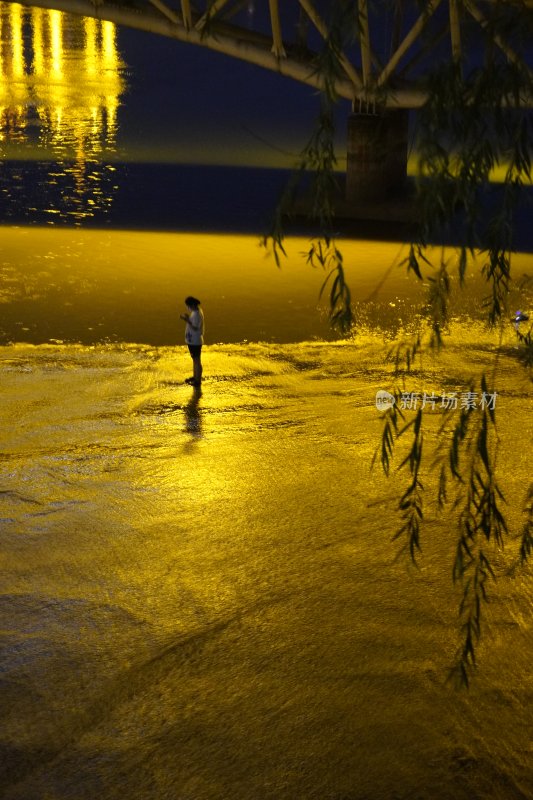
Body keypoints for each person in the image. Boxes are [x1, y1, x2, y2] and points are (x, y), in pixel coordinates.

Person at [180, 296, 204, 387]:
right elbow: (193, 323)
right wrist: (188, 318)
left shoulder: (197, 314)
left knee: (197, 360)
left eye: (188, 306)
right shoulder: (195, 312)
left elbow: (195, 327)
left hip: (195, 341)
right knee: (195, 360)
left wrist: (186, 320)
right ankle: (195, 377)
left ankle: (197, 381)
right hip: (192, 341)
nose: (187, 308)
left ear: (192, 305)